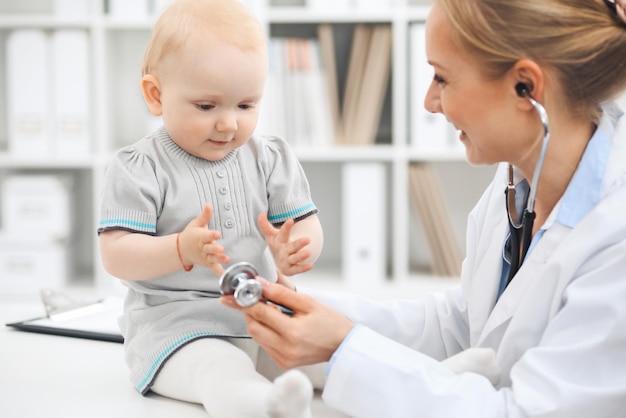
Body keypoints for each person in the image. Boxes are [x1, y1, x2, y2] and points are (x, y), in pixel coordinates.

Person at [222, 0, 626, 416]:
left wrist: (343, 346)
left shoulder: (615, 235)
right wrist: (308, 310)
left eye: (442, 78)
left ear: (526, 87)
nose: (430, 103)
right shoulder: (520, 182)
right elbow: (460, 325)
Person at [97, 0, 325, 417]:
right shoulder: (140, 167)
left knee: (328, 351)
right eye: (207, 106)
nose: (228, 123)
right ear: (156, 95)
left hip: (260, 312)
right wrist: (180, 248)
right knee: (222, 369)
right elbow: (116, 255)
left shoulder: (269, 156)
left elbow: (305, 222)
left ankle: (429, 380)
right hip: (177, 330)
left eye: (246, 105)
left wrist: (297, 246)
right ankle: (264, 408)